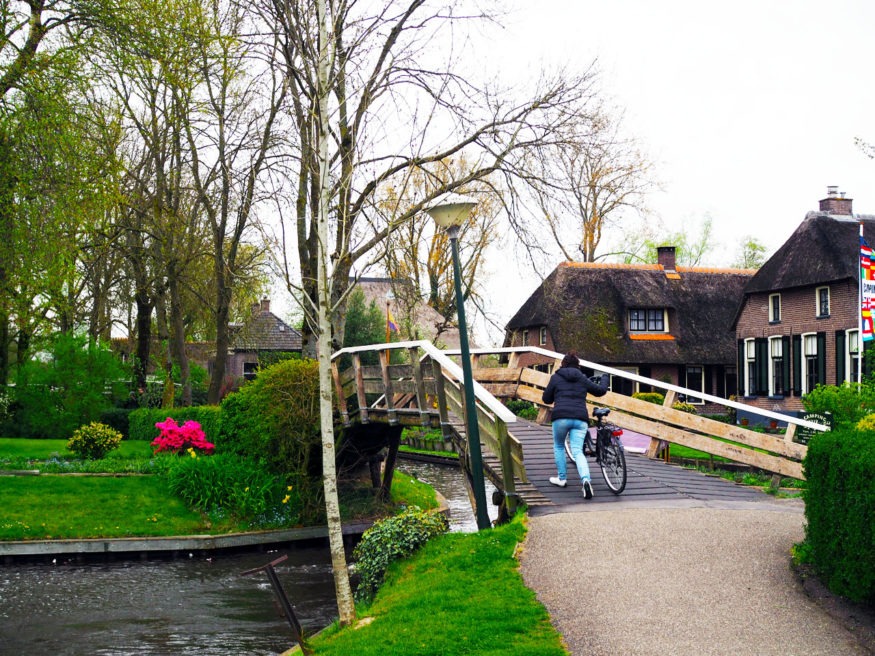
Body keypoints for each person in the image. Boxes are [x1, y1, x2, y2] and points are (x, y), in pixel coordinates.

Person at [541, 352, 609, 499]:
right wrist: (605, 378)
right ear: (578, 365)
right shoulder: (582, 378)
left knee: (559, 446)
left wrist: (556, 394)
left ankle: (562, 478)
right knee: (578, 451)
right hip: (580, 418)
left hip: (560, 418)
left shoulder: (556, 377)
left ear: (563, 364)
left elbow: (546, 399)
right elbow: (600, 391)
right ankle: (585, 480)